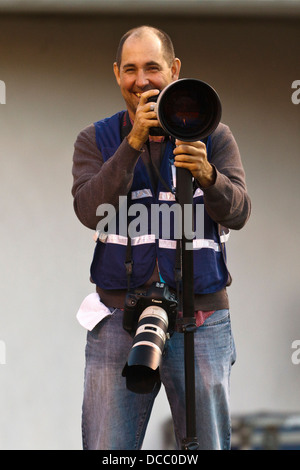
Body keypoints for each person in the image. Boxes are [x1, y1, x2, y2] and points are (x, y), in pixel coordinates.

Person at [72, 25, 251, 450]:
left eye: (152, 67)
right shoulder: (96, 140)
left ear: (173, 70)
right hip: (118, 319)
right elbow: (87, 209)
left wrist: (209, 176)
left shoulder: (213, 133)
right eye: (130, 69)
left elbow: (240, 213)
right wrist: (132, 143)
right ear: (117, 74)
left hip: (201, 321)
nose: (142, 80)